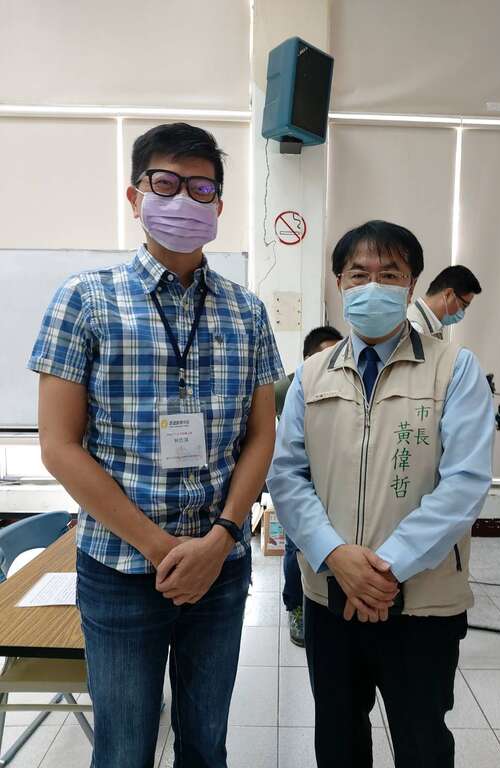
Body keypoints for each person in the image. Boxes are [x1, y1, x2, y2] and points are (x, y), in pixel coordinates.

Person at [28, 122, 284, 768]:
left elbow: (262, 435)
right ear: (134, 195)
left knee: (206, 745)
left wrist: (220, 540)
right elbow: (59, 446)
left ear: (219, 205)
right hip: (120, 569)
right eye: (165, 184)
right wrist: (163, 549)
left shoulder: (247, 312)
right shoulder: (85, 301)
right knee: (123, 750)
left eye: (201, 189)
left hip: (221, 569)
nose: (184, 200)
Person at [267, 220, 493, 768]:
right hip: (330, 596)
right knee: (338, 737)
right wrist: (335, 556)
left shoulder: (454, 369)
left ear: (411, 285)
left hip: (422, 601)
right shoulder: (310, 376)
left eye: (389, 274)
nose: (373, 285)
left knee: (421, 741)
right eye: (358, 274)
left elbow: (465, 482)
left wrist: (385, 568)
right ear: (340, 284)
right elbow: (287, 476)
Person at [276, 325, 343, 646]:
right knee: (295, 549)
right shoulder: (287, 387)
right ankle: (296, 607)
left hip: (335, 483)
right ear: (307, 359)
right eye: (325, 355)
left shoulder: (349, 383)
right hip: (299, 483)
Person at [407, 264, 482, 339]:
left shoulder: (432, 325)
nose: (462, 312)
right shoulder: (416, 328)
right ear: (448, 294)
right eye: (464, 306)